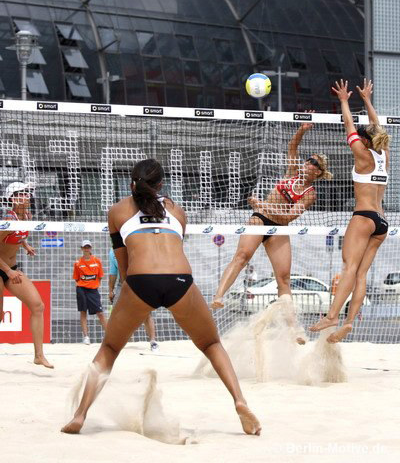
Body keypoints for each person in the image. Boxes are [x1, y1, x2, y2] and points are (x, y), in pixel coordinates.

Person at [62, 158, 261, 436]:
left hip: (141, 279)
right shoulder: (177, 211)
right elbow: (172, 250)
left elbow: (124, 265)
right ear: (161, 184)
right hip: (180, 279)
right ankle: (240, 401)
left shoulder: (117, 211)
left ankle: (80, 415)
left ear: (131, 183)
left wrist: (131, 297)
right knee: (211, 343)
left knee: (109, 350)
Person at [211, 120, 333, 343]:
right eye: (309, 160)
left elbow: (287, 217)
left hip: (278, 226)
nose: (309, 163)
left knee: (284, 278)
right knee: (242, 257)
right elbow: (292, 147)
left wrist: (262, 204)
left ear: (318, 172)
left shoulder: (309, 193)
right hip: (260, 219)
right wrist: (302, 130)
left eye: (314, 163)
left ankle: (295, 329)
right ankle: (219, 296)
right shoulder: (293, 172)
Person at [310, 79, 390, 343]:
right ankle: (348, 322)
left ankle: (333, 315)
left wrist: (345, 100)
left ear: (365, 141)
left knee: (349, 268)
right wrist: (366, 99)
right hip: (381, 223)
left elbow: (349, 126)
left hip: (364, 217)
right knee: (361, 273)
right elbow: (377, 128)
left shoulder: (363, 155)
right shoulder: (383, 155)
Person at [0, 182, 53, 368]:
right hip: (4, 268)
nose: (27, 195)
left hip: (12, 267)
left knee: (38, 306)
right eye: (22, 193)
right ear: (13, 199)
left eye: (27, 192)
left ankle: (38, 356)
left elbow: (19, 234)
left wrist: (25, 245)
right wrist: (7, 270)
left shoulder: (27, 216)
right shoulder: (7, 220)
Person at [108, 247, 158, 351]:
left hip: (139, 283)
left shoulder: (135, 246)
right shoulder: (113, 252)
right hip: (122, 284)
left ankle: (153, 342)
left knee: (146, 313)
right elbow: (113, 273)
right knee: (116, 313)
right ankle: (113, 342)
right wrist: (110, 290)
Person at [73, 240, 107, 344]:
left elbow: (100, 276)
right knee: (83, 312)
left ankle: (108, 335)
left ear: (90, 248)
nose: (87, 249)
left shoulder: (97, 261)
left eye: (88, 247)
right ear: (82, 248)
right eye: (85, 247)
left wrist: (95, 285)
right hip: (81, 289)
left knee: (100, 313)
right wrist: (83, 284)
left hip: (93, 290)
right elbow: (76, 278)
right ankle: (86, 337)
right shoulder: (78, 263)